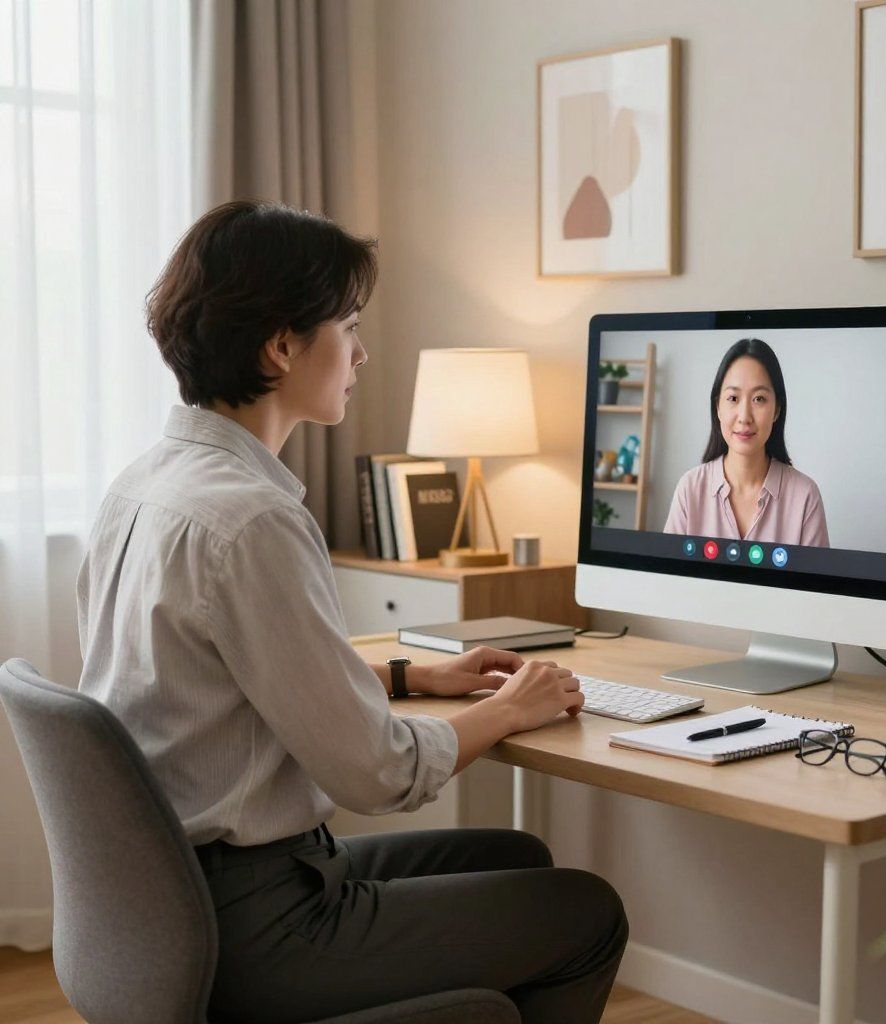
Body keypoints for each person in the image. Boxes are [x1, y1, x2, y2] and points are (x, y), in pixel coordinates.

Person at [76, 200, 627, 1024]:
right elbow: (379, 772)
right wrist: (512, 709)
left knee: (515, 856)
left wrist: (419, 675)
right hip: (263, 927)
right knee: (586, 913)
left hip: (165, 910)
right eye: (348, 325)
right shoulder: (252, 520)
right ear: (282, 344)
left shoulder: (144, 485)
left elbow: (223, 679)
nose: (362, 353)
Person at [663, 338, 829, 547]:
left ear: (777, 409)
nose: (744, 416)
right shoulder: (690, 488)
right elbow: (669, 578)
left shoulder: (805, 496)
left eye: (759, 399)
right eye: (733, 398)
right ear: (717, 407)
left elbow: (812, 581)